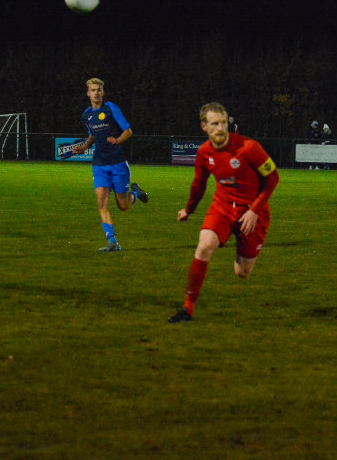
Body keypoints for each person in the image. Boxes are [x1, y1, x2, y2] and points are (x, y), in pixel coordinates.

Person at [168, 102, 280, 323]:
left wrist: (254, 210)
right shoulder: (204, 152)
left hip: (253, 212)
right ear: (204, 126)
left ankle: (242, 248)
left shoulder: (249, 148)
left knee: (242, 272)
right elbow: (198, 185)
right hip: (223, 206)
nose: (220, 128)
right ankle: (187, 309)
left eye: (223, 123)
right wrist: (188, 210)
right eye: (214, 124)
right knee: (204, 245)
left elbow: (273, 178)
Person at [71, 78, 148, 252]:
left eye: (99, 90)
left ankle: (136, 193)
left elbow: (128, 131)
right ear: (88, 93)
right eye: (93, 90)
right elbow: (92, 136)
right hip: (99, 164)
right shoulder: (86, 115)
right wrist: (84, 147)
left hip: (118, 164)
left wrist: (118, 140)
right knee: (101, 201)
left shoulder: (111, 108)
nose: (96, 93)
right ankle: (112, 241)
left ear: (102, 92)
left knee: (123, 205)